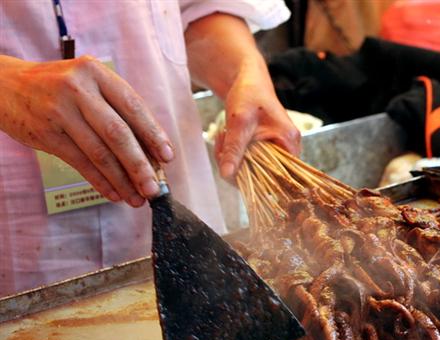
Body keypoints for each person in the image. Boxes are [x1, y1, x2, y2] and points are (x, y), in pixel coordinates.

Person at [0, 0, 300, 296]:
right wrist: (8, 83)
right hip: (17, 221)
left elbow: (199, 9)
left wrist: (243, 71)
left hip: (175, 184)